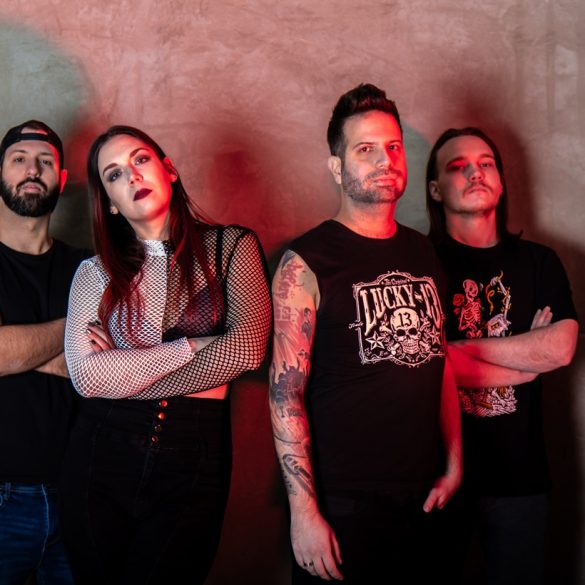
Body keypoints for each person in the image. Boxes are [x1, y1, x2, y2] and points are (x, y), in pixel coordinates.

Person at [60, 125, 272, 585]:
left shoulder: (232, 247)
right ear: (110, 202)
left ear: (168, 169)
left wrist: (124, 374)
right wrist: (197, 344)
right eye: (114, 174)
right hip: (101, 454)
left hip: (194, 457)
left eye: (140, 159)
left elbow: (248, 348)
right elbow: (88, 379)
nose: (131, 175)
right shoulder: (94, 272)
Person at [269, 83, 463, 584]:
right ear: (337, 168)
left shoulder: (423, 252)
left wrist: (454, 464)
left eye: (393, 146)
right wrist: (304, 514)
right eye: (365, 149)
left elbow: (439, 362)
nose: (384, 160)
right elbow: (285, 394)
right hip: (343, 506)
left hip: (425, 500)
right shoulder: (305, 261)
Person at [426, 126, 579, 584]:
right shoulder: (418, 263)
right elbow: (423, 368)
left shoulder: (540, 261)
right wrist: (523, 366)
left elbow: (560, 348)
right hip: (434, 477)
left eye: (486, 163)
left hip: (520, 481)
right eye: (458, 166)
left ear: (501, 180)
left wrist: (456, 351)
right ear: (435, 190)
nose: (475, 173)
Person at [0, 120, 89, 584]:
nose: (32, 170)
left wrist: (19, 350)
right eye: (19, 159)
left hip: (80, 497)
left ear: (62, 178)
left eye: (45, 162)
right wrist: (76, 334)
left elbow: (115, 367)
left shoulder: (88, 267)